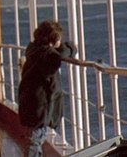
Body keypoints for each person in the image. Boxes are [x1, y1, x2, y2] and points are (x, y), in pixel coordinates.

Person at [17, 20, 76, 157]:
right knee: (35, 139)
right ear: (53, 40)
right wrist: (71, 48)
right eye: (59, 39)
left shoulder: (34, 50)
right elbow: (58, 56)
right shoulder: (47, 57)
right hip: (38, 104)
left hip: (30, 100)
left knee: (35, 137)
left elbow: (54, 54)